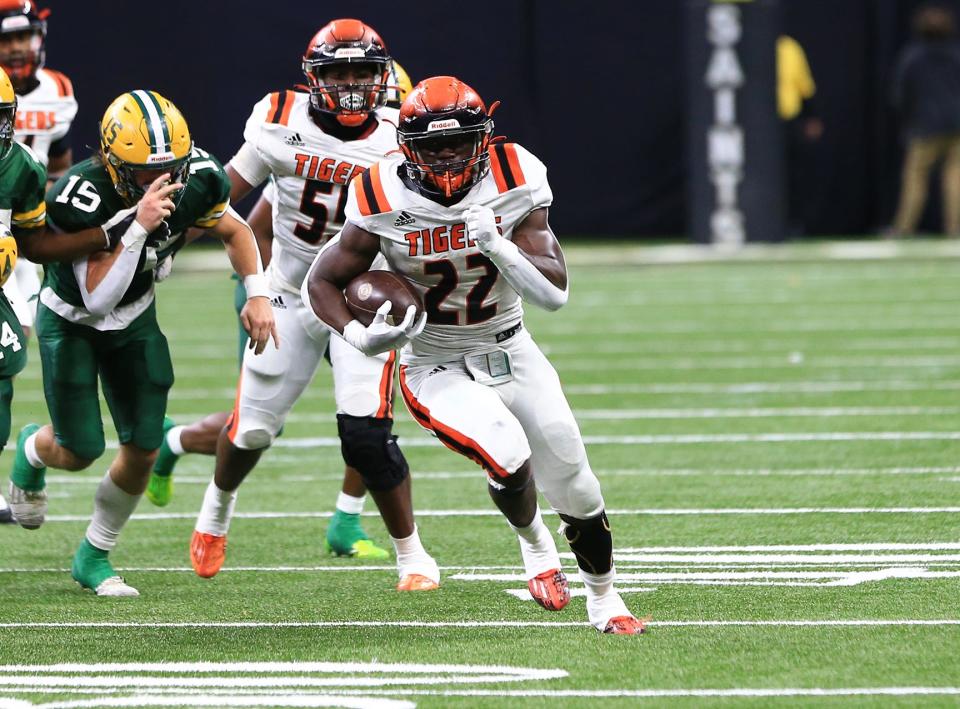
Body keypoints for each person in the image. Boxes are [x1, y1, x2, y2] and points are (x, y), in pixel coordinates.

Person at [303, 76, 645, 634]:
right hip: (432, 358)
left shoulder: (516, 174)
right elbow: (322, 282)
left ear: (483, 139)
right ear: (406, 145)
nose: (446, 157)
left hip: (510, 343)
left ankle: (605, 598)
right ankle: (536, 547)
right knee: (506, 451)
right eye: (433, 146)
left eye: (459, 143)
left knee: (576, 480)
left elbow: (555, 295)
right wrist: (357, 337)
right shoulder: (380, 191)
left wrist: (498, 245)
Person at [186, 20, 438, 591]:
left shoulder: (402, 133)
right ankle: (216, 510)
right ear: (313, 78)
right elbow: (225, 192)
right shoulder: (280, 122)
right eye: (338, 72)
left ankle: (412, 555)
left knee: (368, 435)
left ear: (383, 77)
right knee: (250, 431)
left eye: (362, 72)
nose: (351, 85)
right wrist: (168, 235)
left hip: (362, 294)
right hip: (291, 288)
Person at [6, 89, 277, 597]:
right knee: (80, 448)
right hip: (72, 320)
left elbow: (236, 231)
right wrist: (136, 228)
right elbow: (96, 299)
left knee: (145, 447)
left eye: (169, 169)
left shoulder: (200, 176)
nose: (161, 182)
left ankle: (94, 553)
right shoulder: (78, 194)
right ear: (111, 161)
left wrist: (258, 294)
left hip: (136, 318)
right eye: (144, 173)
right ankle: (32, 450)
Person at [0, 1, 75, 524]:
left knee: (13, 353)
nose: (16, 48)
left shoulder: (59, 92)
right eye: (6, 39)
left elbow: (59, 170)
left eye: (23, 37)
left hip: (19, 225)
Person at [890, 3, 960, 237]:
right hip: (955, 124)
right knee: (954, 179)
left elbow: (899, 94)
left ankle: (904, 228)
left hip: (925, 125)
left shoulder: (912, 57)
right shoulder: (956, 56)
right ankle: (954, 229)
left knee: (915, 179)